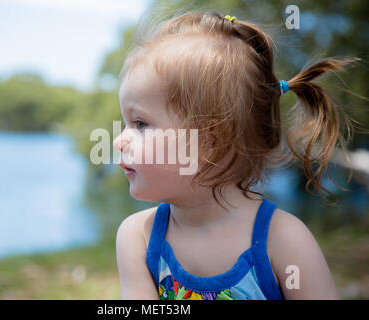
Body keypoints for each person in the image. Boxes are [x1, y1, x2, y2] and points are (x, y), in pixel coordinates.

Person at [113, 10, 359, 300]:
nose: (118, 140)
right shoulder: (138, 238)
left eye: (140, 123)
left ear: (209, 142)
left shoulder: (283, 242)